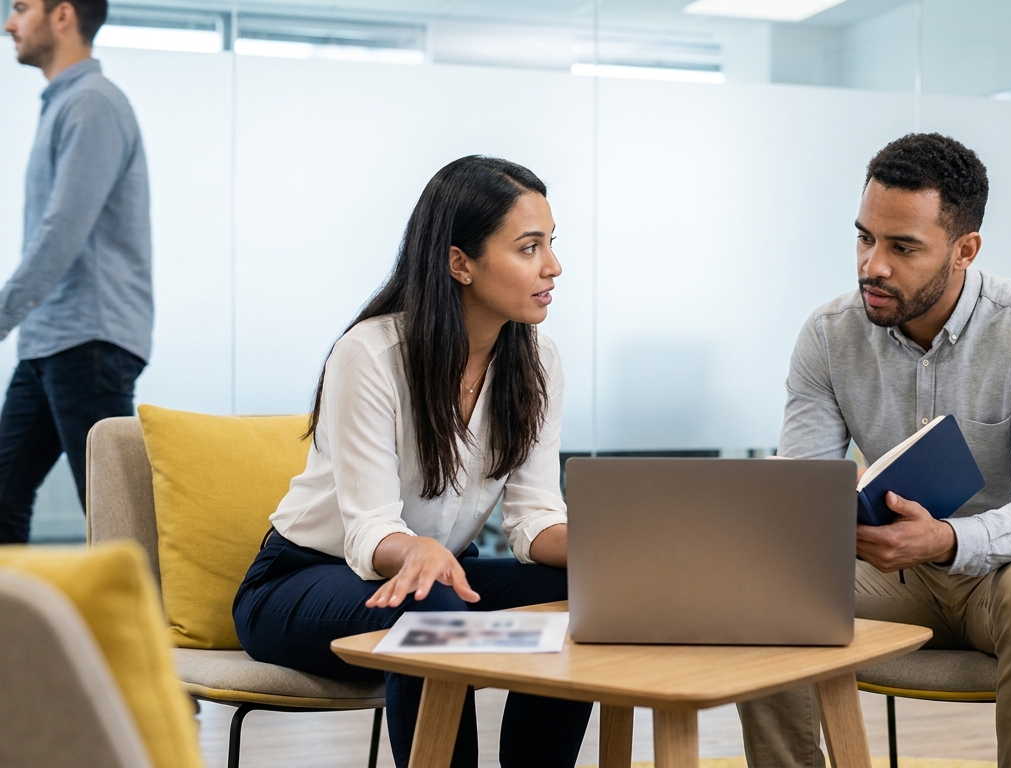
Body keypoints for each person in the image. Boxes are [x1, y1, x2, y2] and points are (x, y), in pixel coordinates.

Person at [738, 133, 1011, 768]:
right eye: (864, 237)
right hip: (897, 574)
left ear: (964, 250)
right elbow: (802, 499)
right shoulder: (828, 337)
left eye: (902, 247)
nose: (872, 266)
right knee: (764, 591)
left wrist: (945, 540)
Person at [233, 157, 591, 768]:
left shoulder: (538, 361)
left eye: (551, 245)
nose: (553, 266)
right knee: (430, 603)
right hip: (299, 583)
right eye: (529, 247)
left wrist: (616, 547)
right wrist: (417, 549)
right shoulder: (371, 354)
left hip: (437, 581)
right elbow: (370, 527)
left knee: (576, 591)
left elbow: (533, 523)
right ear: (460, 263)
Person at [0, 0, 151, 544]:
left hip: (88, 342)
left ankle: (137, 632)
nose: (10, 23)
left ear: (62, 15)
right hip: (50, 341)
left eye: (21, 8)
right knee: (3, 500)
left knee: (117, 523)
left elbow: (62, 231)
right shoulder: (64, 104)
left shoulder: (92, 103)